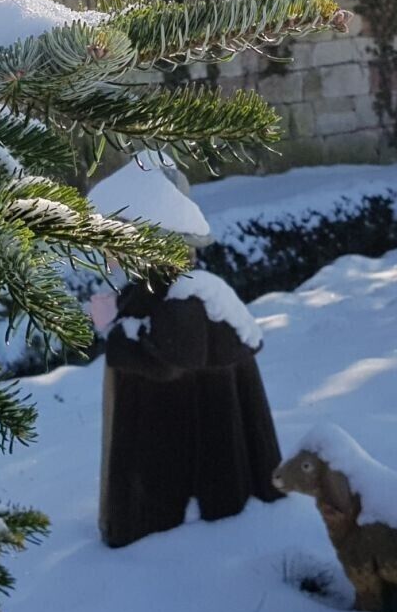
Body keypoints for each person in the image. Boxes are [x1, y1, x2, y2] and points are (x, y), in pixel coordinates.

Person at [87, 155, 284, 549]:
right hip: (187, 438)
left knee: (196, 475)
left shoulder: (180, 294)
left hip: (180, 470)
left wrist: (121, 341)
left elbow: (175, 359)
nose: (109, 254)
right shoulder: (159, 287)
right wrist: (114, 318)